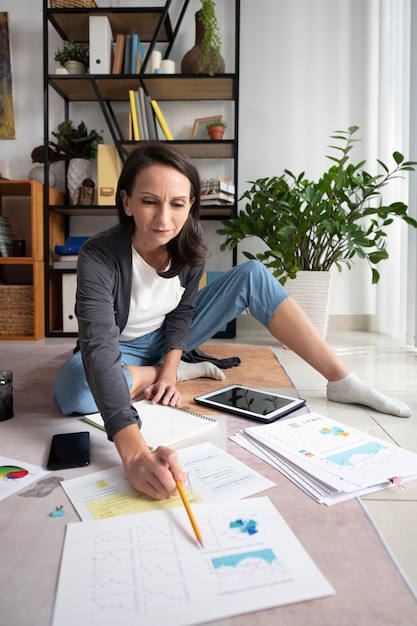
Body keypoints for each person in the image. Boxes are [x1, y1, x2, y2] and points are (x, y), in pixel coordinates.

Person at [53, 142, 412, 500]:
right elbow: (99, 346)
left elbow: (181, 314)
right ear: (127, 201)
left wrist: (168, 367)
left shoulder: (188, 245)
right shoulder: (98, 256)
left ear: (190, 205)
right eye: (149, 202)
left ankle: (342, 379)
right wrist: (134, 452)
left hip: (166, 338)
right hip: (118, 347)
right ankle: (166, 370)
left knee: (253, 274)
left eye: (177, 204)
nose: (164, 219)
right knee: (75, 387)